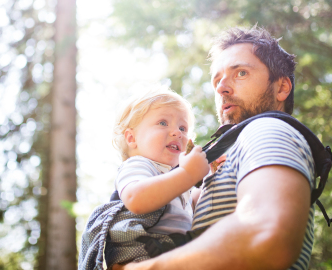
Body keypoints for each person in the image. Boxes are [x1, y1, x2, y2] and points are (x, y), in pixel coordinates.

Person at [114, 25, 316, 270]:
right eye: (217, 80)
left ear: (282, 87)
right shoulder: (233, 153)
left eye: (240, 73)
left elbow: (266, 233)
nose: (221, 87)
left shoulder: (266, 129)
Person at [79, 86, 210, 268]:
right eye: (163, 123)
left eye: (183, 127)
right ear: (132, 139)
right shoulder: (139, 165)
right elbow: (136, 199)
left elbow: (193, 203)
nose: (177, 133)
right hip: (141, 256)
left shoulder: (176, 177)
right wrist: (188, 174)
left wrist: (212, 176)